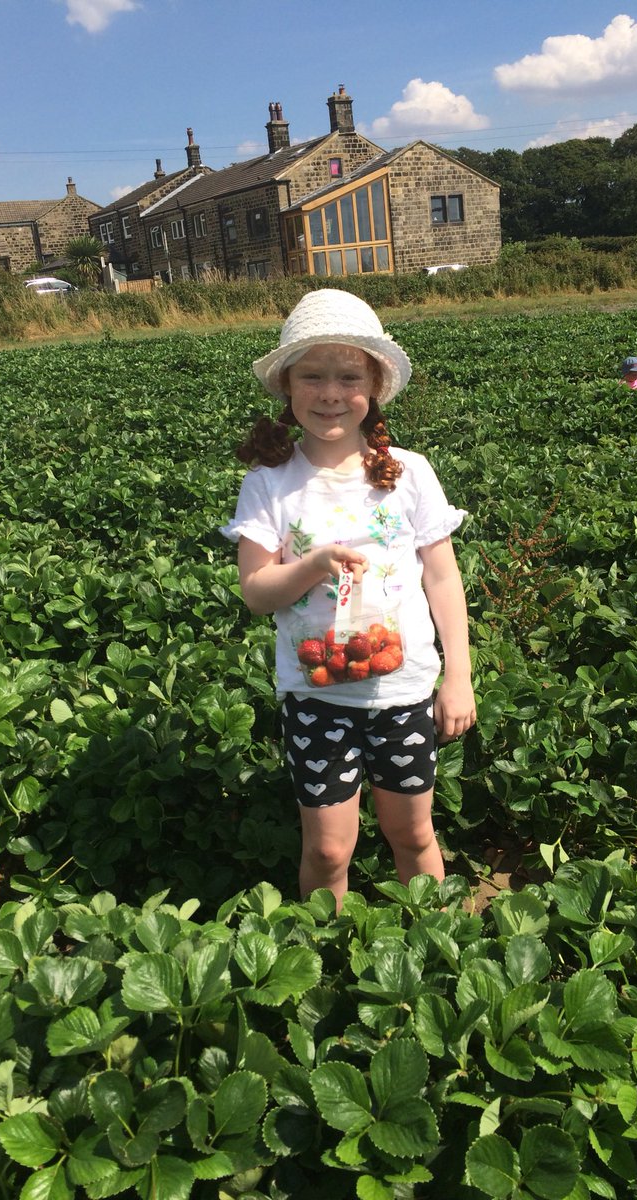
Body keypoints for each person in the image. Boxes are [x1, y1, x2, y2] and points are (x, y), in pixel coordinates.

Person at [220, 289, 476, 908]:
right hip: (315, 695)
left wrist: (458, 676)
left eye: (348, 377)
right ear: (287, 385)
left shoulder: (409, 473)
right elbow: (255, 592)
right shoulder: (270, 484)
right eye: (313, 376)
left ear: (375, 386)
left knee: (411, 832)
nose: (331, 393)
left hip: (403, 688)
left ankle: (432, 939)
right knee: (328, 849)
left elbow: (443, 578)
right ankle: (322, 953)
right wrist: (310, 565)